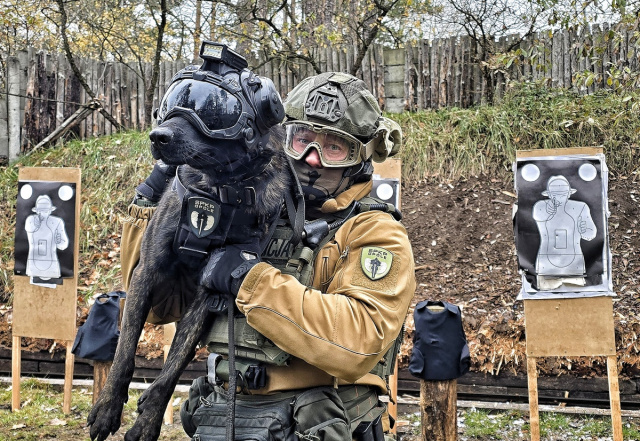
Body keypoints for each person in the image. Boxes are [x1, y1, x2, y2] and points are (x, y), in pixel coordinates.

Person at [121, 71, 415, 441]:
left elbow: (357, 341)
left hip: (316, 426)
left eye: (333, 147)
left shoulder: (373, 232)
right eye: (302, 140)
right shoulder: (252, 215)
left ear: (361, 156)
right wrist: (150, 209)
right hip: (225, 418)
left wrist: (251, 280)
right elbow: (159, 309)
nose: (312, 159)